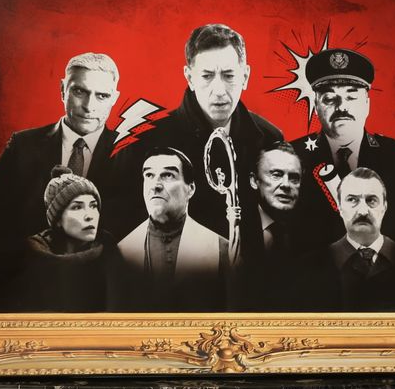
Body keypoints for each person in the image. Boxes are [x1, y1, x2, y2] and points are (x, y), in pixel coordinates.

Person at [110, 24, 282, 241]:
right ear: (190, 78)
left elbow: (283, 221)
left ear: (245, 76)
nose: (219, 90)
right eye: (207, 76)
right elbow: (118, 224)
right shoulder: (144, 140)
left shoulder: (270, 139)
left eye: (229, 75)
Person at [0, 52, 120, 309]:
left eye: (102, 96)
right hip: (29, 295)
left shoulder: (131, 151)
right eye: (80, 91)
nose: (89, 106)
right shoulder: (22, 146)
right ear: (63, 90)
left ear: (114, 98)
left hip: (103, 299)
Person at [289, 47, 395, 250]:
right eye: (329, 99)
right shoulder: (290, 158)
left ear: (367, 104)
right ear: (316, 106)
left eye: (351, 97)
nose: (341, 107)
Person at [108, 148, 228, 311]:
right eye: (149, 175)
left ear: (190, 189)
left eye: (168, 175)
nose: (155, 186)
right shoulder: (121, 252)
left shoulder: (222, 251)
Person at [317, 167, 395, 311]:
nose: (363, 211)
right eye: (352, 200)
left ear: (384, 207)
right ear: (339, 207)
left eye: (371, 200)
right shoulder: (314, 267)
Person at [13, 167, 109, 311]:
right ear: (57, 219)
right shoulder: (31, 260)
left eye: (93, 206)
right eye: (77, 207)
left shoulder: (112, 254)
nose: (90, 215)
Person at [235, 142, 312, 310]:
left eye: (294, 178)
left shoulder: (313, 237)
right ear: (254, 180)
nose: (286, 185)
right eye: (276, 175)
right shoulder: (234, 231)